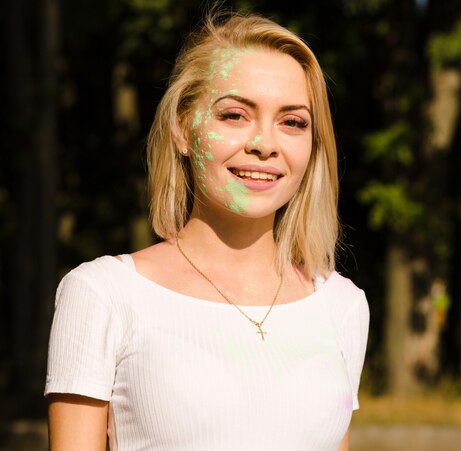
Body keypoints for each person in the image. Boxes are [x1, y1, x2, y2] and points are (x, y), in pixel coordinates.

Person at [45, 12, 369, 451]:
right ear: (182, 127)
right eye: (235, 115)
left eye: (292, 122)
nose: (265, 143)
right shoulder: (102, 294)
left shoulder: (342, 305)